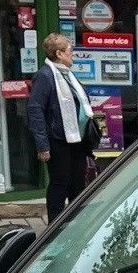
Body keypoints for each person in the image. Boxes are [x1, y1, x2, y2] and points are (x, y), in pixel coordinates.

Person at [27, 32, 96, 222]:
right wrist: (42, 145)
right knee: (59, 184)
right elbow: (35, 109)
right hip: (58, 140)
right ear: (59, 54)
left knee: (77, 185)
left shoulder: (67, 74)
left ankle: (75, 225)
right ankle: (54, 227)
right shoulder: (45, 76)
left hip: (77, 139)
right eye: (69, 50)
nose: (72, 53)